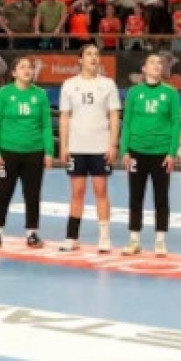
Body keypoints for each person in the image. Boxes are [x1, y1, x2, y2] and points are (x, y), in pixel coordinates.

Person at [58, 44, 121, 253]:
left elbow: (114, 115)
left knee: (100, 190)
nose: (93, 58)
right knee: (77, 192)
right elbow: (65, 117)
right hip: (77, 146)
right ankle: (72, 237)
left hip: (100, 145)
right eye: (89, 54)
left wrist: (113, 144)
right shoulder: (69, 85)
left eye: (96, 54)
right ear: (80, 59)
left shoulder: (108, 84)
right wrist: (64, 145)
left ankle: (104, 237)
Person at [0, 56, 55, 250]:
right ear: (14, 72)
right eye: (23, 67)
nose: (27, 70)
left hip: (34, 152)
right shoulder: (4, 94)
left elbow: (46, 126)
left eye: (30, 67)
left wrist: (49, 151)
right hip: (7, 152)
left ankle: (32, 233)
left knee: (32, 194)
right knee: (2, 193)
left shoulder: (40, 95)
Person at [119, 53, 181, 257]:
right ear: (144, 69)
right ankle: (134, 240)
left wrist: (172, 152)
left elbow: (176, 124)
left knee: (161, 197)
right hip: (137, 151)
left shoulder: (170, 93)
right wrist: (124, 150)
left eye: (159, 63)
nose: (157, 65)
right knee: (135, 196)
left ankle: (160, 241)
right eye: (152, 62)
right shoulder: (134, 93)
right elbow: (127, 122)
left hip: (161, 152)